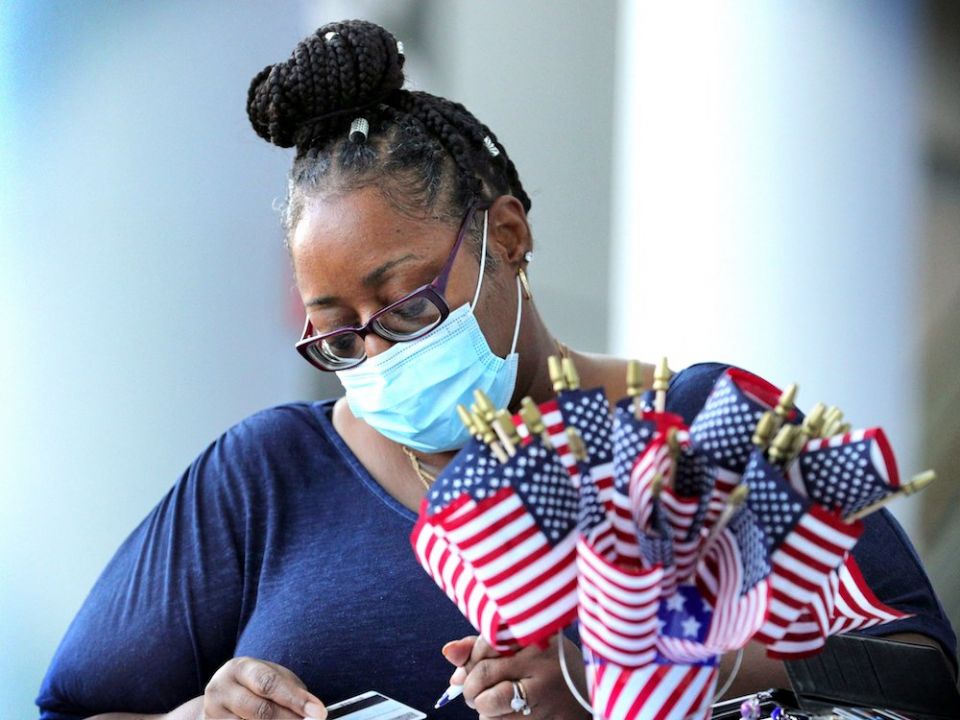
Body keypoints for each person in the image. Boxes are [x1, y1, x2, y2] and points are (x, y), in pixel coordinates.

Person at [37, 19, 956, 720]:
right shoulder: (265, 479)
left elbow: (924, 677)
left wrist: (646, 679)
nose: (383, 356)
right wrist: (200, 712)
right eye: (341, 336)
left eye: (407, 305)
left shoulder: (701, 429)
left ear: (507, 237)